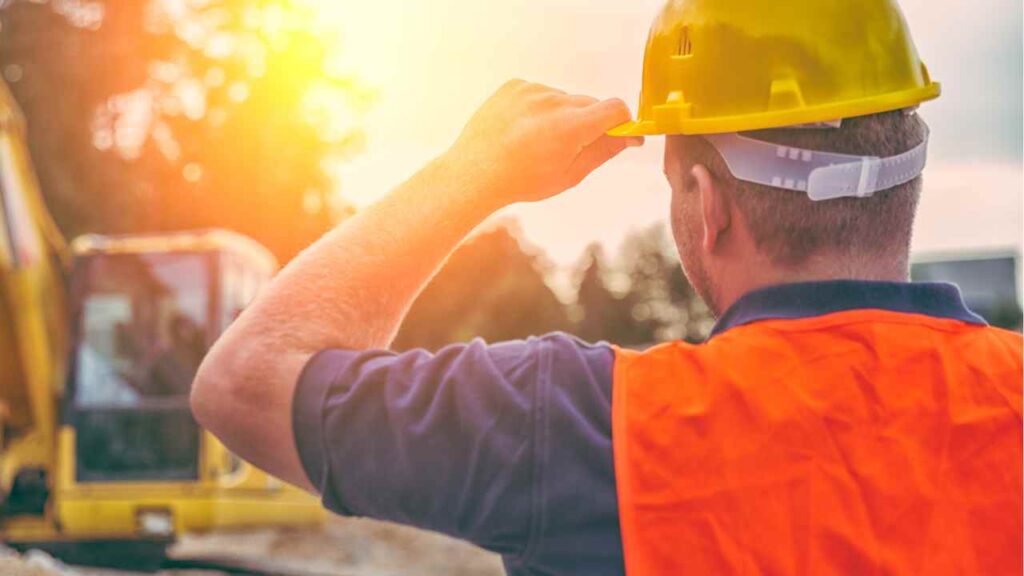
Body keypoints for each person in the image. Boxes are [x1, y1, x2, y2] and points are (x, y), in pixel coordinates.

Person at [191, 0, 1023, 574]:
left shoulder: (585, 427)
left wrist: (471, 176)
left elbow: (244, 383)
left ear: (706, 207)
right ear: (905, 175)